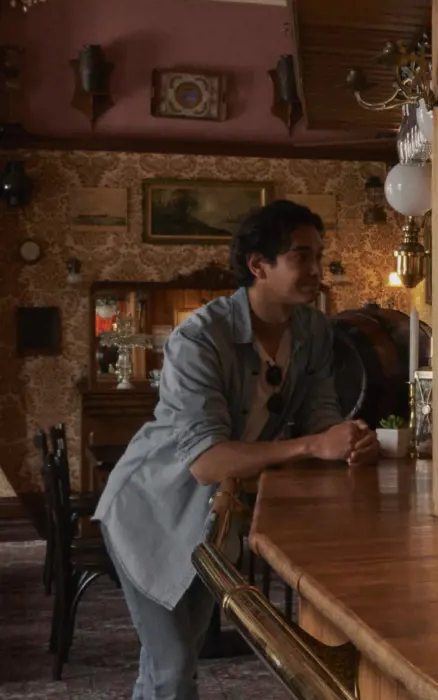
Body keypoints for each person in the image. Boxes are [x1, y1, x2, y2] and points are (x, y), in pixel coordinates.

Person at [95, 200, 377, 700]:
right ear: (259, 265)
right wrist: (315, 444)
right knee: (173, 668)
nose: (317, 269)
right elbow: (207, 462)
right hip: (151, 512)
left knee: (171, 666)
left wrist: (347, 442)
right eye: (302, 257)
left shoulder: (312, 329)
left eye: (319, 256)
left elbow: (320, 413)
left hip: (216, 522)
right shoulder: (199, 338)